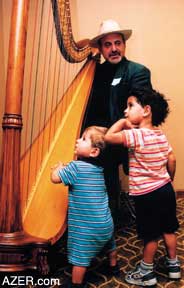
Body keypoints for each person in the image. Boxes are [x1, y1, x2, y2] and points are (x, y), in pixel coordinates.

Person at [104, 86, 181, 286]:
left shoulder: (136, 136)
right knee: (169, 229)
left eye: (130, 106)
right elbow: (171, 159)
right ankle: (174, 267)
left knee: (150, 235)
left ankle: (146, 273)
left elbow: (108, 137)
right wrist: (168, 180)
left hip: (147, 195)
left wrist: (122, 123)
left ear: (146, 110)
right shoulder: (160, 135)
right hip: (165, 189)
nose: (125, 111)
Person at [83, 19, 153, 222]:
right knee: (84, 144)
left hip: (125, 133)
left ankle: (109, 214)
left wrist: (108, 130)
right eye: (107, 45)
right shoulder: (94, 73)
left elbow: (138, 113)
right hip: (99, 132)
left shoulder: (137, 72)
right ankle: (98, 211)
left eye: (117, 43)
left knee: (99, 148)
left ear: (124, 45)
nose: (114, 49)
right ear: (101, 49)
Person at [50, 126, 118, 288]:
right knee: (110, 245)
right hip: (106, 223)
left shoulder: (74, 167)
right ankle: (113, 266)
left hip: (86, 230)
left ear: (94, 152)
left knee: (80, 258)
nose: (77, 140)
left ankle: (76, 283)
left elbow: (54, 179)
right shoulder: (99, 170)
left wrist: (58, 169)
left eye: (84, 138)